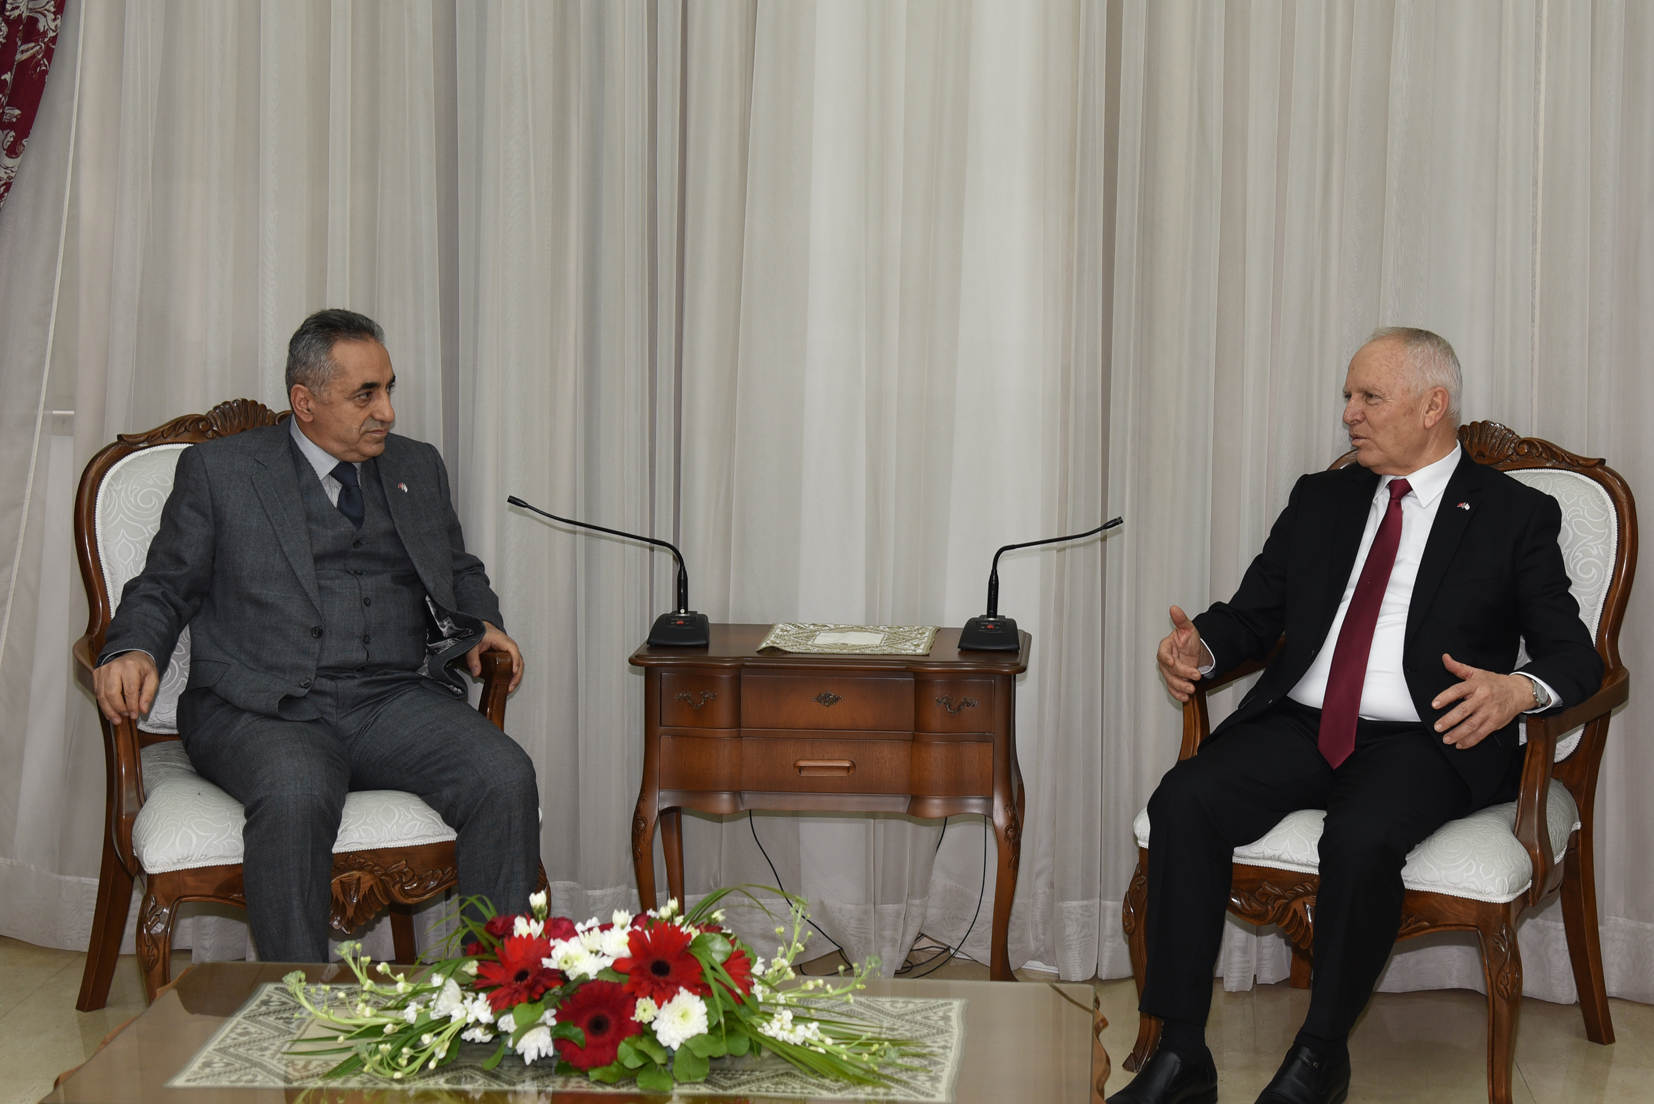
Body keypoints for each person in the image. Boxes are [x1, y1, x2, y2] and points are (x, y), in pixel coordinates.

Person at [1110, 328, 1602, 1104]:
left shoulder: (1513, 514)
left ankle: (1319, 1055)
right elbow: (1253, 614)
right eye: (1349, 396)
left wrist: (1518, 690)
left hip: (1425, 739)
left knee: (1363, 835)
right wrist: (1199, 647)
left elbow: (1575, 656)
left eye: (1370, 397)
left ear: (1433, 406)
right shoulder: (1323, 498)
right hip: (1302, 721)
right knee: (1184, 799)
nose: (1350, 413)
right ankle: (1180, 1052)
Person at [93, 308, 541, 963]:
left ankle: (499, 996)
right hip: (259, 705)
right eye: (366, 395)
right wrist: (131, 647)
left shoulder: (417, 466)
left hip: (390, 698)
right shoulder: (221, 471)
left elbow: (458, 567)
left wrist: (482, 622)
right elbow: (165, 583)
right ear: (305, 402)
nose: (386, 411)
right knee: (297, 793)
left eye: (388, 388)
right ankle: (293, 1006)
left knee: (503, 775)